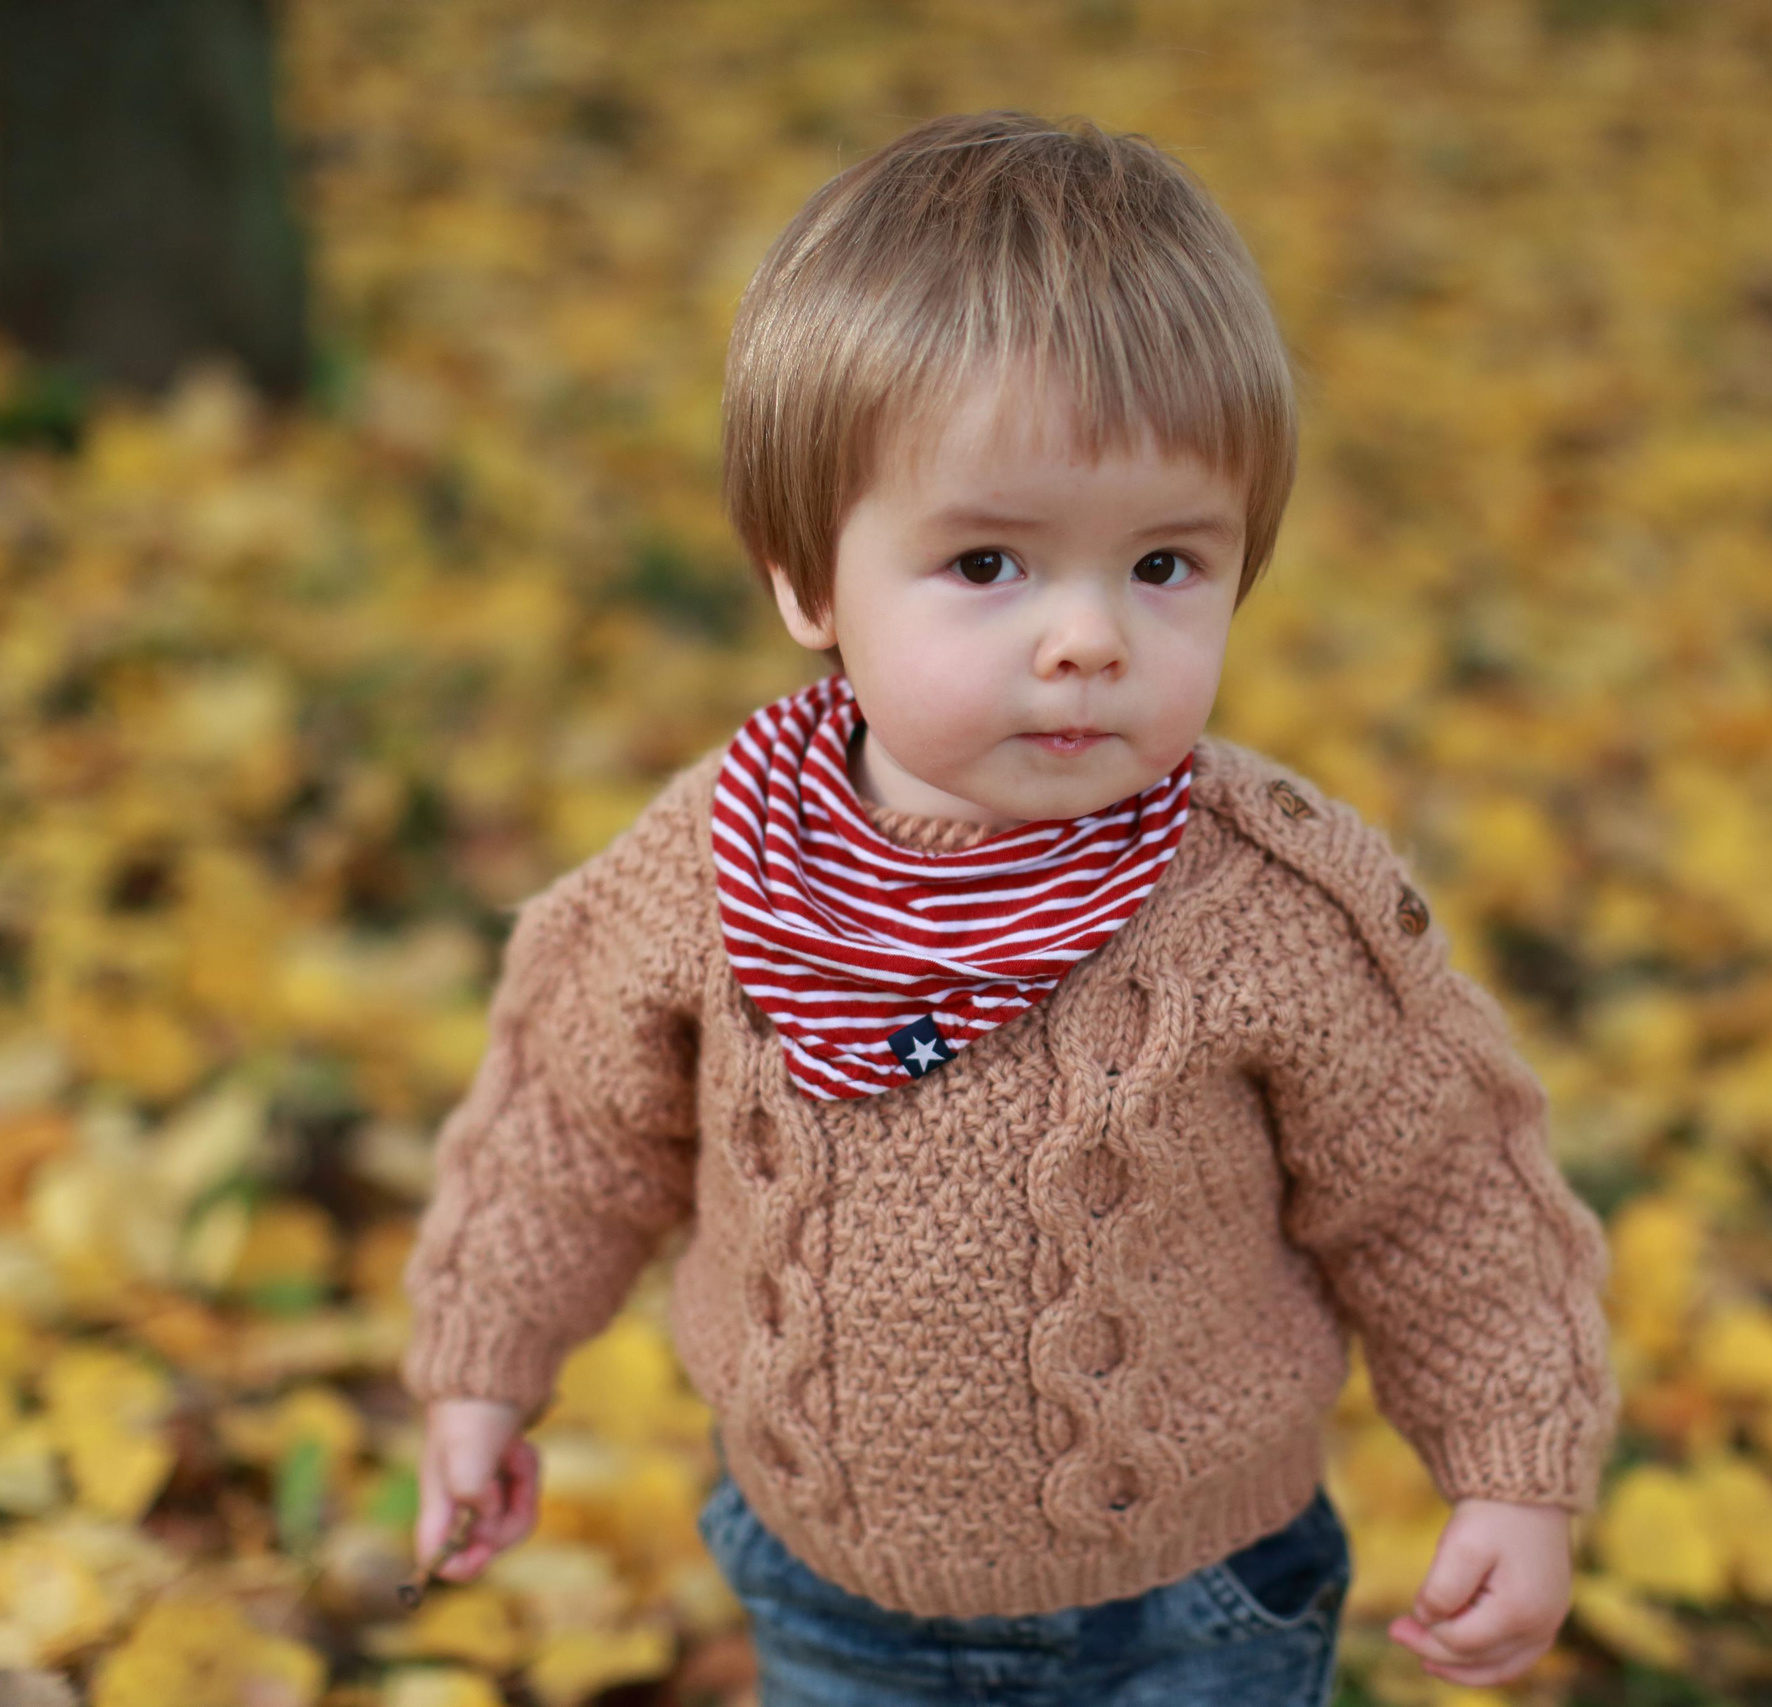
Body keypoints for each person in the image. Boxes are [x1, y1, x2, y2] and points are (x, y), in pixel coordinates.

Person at [399, 109, 1620, 1707]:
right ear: (805, 580)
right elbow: (568, 1137)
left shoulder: (1269, 908)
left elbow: (1441, 1194)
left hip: (1193, 1603)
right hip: (828, 1592)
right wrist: (485, 1373)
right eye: (989, 565)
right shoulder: (714, 870)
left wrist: (1514, 1467)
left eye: (1166, 566)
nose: (1086, 638)